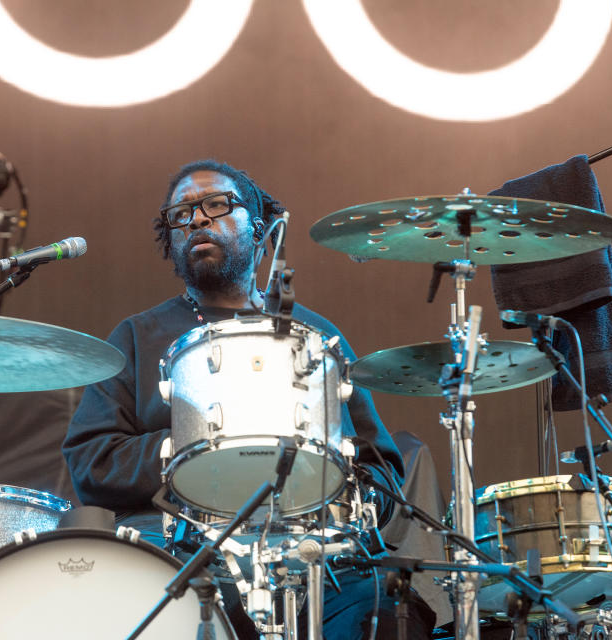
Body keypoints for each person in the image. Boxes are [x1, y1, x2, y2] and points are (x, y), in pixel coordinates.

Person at [62, 159, 435, 638]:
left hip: (312, 560)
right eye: (181, 214)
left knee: (389, 608)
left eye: (216, 205)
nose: (197, 219)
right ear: (171, 240)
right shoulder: (137, 336)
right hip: (184, 554)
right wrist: (199, 443)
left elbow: (381, 471)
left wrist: (337, 491)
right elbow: (91, 461)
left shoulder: (317, 337)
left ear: (261, 228)